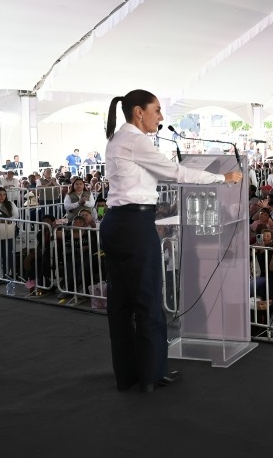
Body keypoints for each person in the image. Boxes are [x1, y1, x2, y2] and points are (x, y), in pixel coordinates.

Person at [100, 89, 242, 393]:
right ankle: (152, 375)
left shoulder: (116, 139)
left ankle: (127, 376)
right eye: (157, 110)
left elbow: (149, 177)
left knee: (121, 305)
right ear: (139, 112)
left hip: (115, 223)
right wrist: (222, 179)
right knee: (148, 302)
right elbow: (175, 172)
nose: (161, 117)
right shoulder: (137, 141)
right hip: (135, 225)